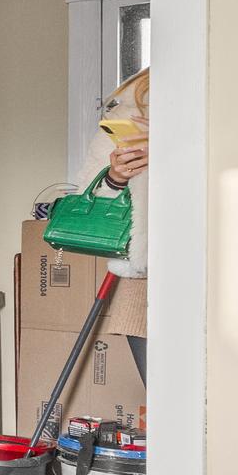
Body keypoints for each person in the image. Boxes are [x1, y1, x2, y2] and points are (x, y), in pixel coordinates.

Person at [82, 67, 149, 383]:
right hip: (145, 281)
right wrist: (116, 177)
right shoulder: (127, 111)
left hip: (216, 276)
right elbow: (89, 196)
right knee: (170, 402)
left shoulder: (219, 102)